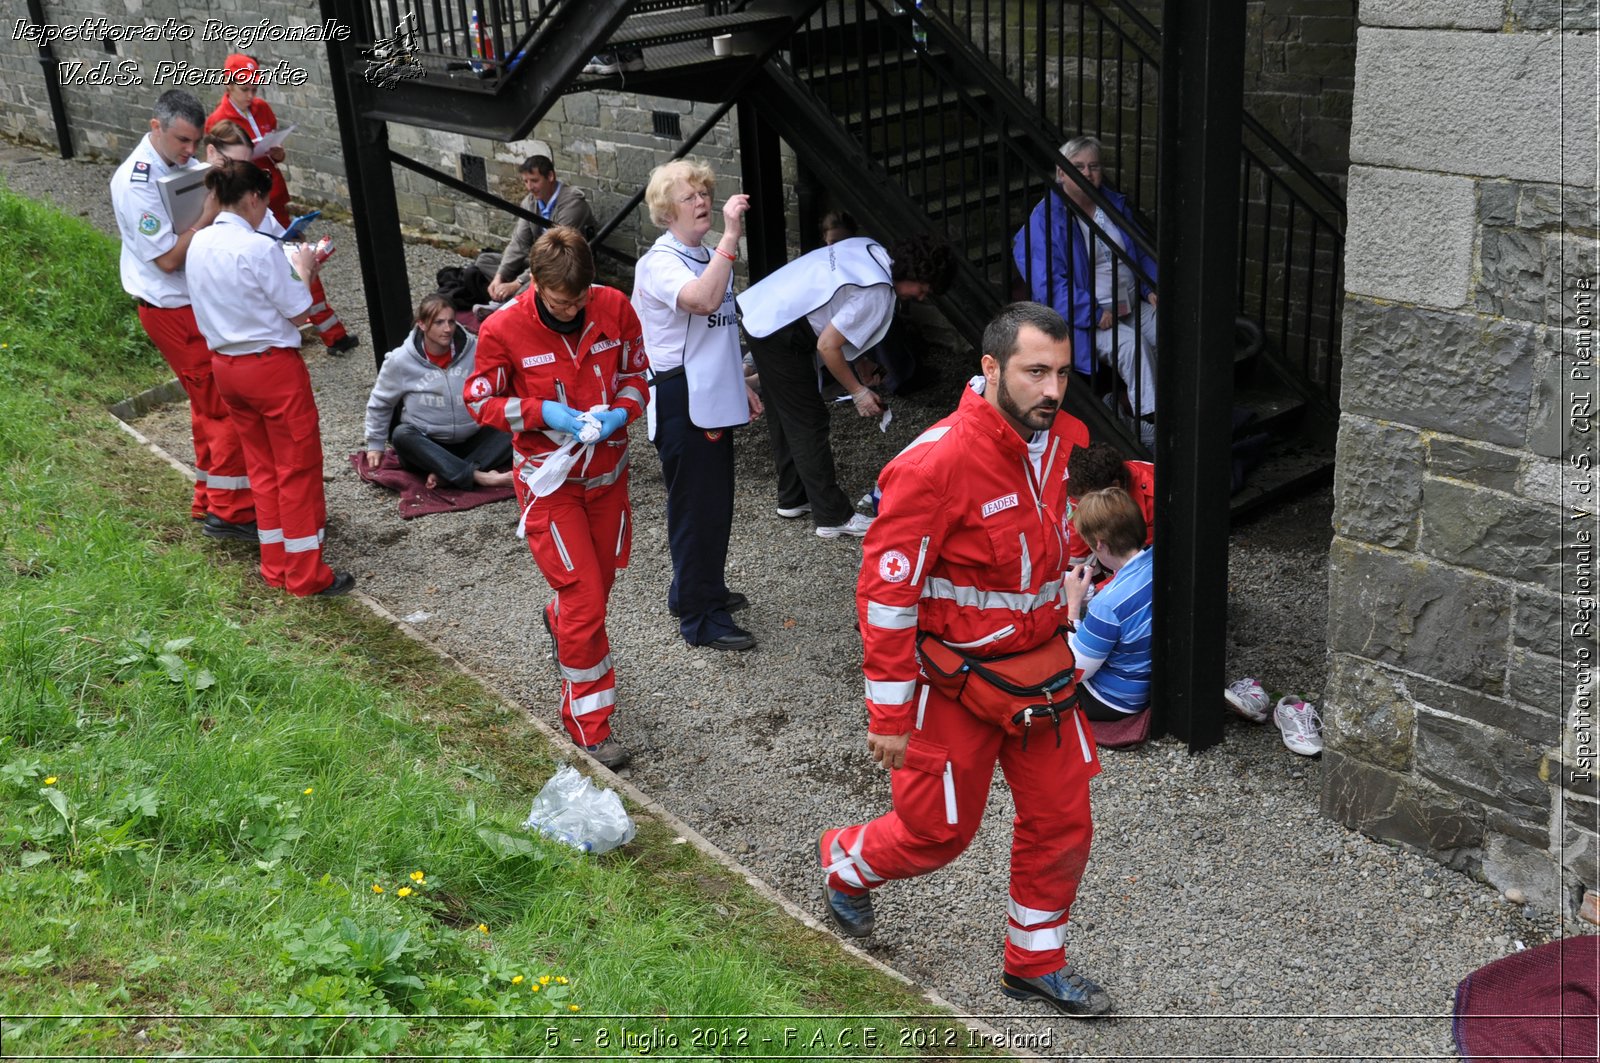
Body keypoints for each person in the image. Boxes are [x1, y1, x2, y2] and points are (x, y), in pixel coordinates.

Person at [818, 302, 1111, 1018]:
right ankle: (845, 862)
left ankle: (1034, 963)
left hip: (1039, 674)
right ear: (990, 368)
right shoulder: (934, 463)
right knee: (935, 833)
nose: (1052, 389)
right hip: (952, 685)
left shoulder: (1069, 443)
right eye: (1035, 371)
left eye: (1063, 374)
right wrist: (887, 712)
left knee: (1064, 820)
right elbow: (885, 599)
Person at [463, 227, 647, 769]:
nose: (572, 309)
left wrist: (621, 412)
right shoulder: (502, 329)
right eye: (561, 300)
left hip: (609, 478)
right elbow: (479, 400)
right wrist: (545, 413)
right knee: (586, 600)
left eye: (580, 298)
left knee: (596, 589)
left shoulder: (613, 306)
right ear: (536, 286)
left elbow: (638, 374)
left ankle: (559, 618)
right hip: (551, 484)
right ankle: (590, 726)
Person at [186, 158, 354, 598]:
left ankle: (275, 563)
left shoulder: (199, 242)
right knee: (296, 468)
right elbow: (298, 309)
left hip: (226, 366)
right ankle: (304, 575)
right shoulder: (258, 248)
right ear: (255, 198)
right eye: (266, 202)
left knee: (261, 468)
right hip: (270, 367)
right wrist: (305, 267)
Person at [735, 233, 954, 539]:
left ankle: (793, 496)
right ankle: (832, 516)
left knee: (784, 410)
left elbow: (837, 314)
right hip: (781, 330)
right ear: (915, 274)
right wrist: (858, 392)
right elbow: (827, 345)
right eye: (924, 289)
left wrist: (861, 362)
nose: (920, 297)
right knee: (809, 420)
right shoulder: (877, 291)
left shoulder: (870, 248)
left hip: (764, 308)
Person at [111, 90, 255, 543]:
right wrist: (208, 218)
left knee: (205, 405)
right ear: (156, 127)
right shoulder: (135, 185)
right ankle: (231, 514)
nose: (189, 151)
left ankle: (208, 497)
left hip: (187, 303)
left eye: (195, 142)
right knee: (223, 405)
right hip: (171, 308)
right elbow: (169, 261)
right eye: (182, 141)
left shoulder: (176, 165)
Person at [631, 158, 762, 652]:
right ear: (667, 213)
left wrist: (739, 385)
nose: (703, 201)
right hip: (681, 395)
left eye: (705, 192)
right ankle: (700, 619)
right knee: (696, 509)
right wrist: (731, 237)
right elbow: (704, 302)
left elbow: (720, 333)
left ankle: (696, 590)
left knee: (713, 505)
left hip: (709, 390)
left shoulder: (703, 253)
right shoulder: (661, 262)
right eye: (689, 197)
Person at [206, 54, 359, 356]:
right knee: (274, 263)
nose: (252, 96)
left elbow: (275, 151)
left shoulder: (261, 108)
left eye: (254, 89)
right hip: (248, 203)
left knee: (297, 255)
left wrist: (276, 154)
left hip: (272, 194)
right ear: (229, 84)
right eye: (245, 89)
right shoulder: (218, 121)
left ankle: (331, 334)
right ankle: (294, 327)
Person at [1013, 135, 1157, 439]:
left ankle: (1173, 405)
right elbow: (1049, 285)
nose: (1088, 173)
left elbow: (1139, 251)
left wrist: (1150, 287)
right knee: (1133, 347)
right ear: (1061, 172)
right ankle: (1150, 423)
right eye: (1077, 166)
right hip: (1087, 319)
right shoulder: (1048, 219)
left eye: (1093, 166)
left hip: (1129, 303)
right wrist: (1091, 312)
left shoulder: (1112, 203)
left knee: (1175, 330)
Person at [363, 293, 512, 489]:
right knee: (401, 435)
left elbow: (502, 382)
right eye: (439, 323)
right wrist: (375, 444)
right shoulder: (399, 360)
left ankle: (449, 473)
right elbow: (380, 403)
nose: (448, 328)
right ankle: (480, 477)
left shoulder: (476, 348)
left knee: (514, 422)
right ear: (422, 325)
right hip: (429, 445)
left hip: (474, 438)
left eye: (451, 321)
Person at [1064, 487, 1153, 725]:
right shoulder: (1158, 559)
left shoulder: (1108, 604)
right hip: (1153, 678)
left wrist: (1073, 606)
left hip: (1115, 700)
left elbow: (1076, 670)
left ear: (1100, 544)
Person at [481, 155, 598, 304]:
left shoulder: (572, 204)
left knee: (537, 285)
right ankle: (504, 296)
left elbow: (553, 254)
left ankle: (506, 305)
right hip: (536, 261)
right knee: (484, 261)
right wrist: (499, 276)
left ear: (550, 176)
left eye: (534, 181)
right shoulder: (530, 202)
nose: (529, 187)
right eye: (526, 181)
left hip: (563, 265)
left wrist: (517, 282)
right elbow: (519, 243)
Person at [1064, 440, 1154, 576]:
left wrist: (1104, 592)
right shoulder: (1081, 487)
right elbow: (1076, 554)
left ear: (1115, 486)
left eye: (1083, 499)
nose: (1079, 506)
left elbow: (1142, 565)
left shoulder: (1154, 497)